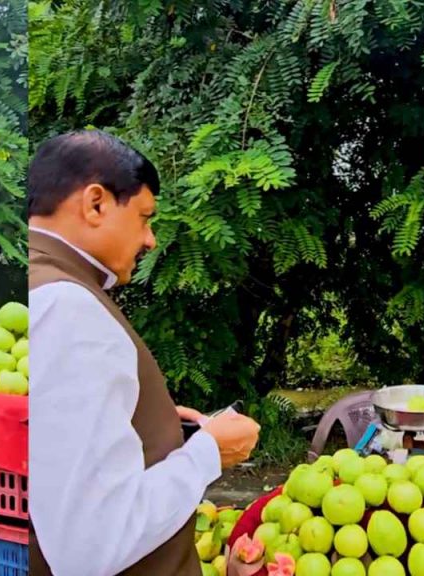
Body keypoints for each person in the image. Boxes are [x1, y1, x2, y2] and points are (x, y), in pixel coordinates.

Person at [28, 130, 261, 576]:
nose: (150, 239)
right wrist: (208, 453)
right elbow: (91, 546)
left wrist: (137, 417)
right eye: (144, 217)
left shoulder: (38, 282)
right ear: (96, 204)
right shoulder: (69, 308)